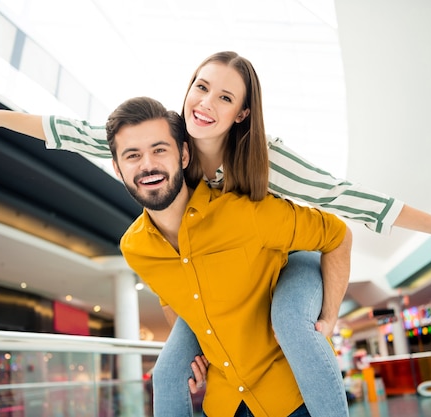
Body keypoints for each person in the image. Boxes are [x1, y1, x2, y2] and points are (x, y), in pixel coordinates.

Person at [0, 51, 431, 417]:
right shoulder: (162, 140)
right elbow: (71, 133)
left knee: (289, 323)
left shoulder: (266, 159)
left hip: (290, 261)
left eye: (224, 98)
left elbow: (347, 200)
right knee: (167, 372)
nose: (205, 104)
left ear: (241, 113)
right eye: (201, 87)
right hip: (223, 278)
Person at [107, 95, 352, 416]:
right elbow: (171, 300)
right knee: (165, 373)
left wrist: (329, 316)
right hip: (224, 404)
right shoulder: (134, 248)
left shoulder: (243, 212)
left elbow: (337, 234)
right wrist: (194, 357)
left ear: (183, 154)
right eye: (132, 155)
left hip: (293, 398)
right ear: (117, 167)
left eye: (159, 149)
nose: (147, 164)